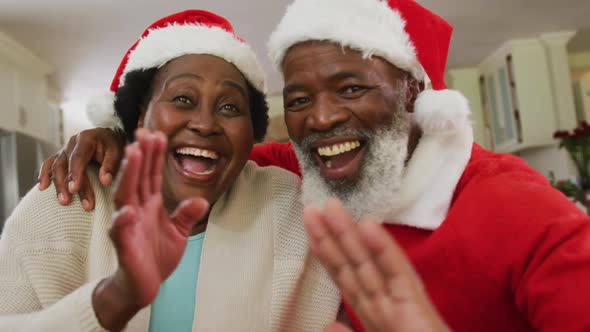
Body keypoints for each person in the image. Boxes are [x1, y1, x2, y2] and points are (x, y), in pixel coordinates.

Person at [41, 0, 590, 331]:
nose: (321, 118)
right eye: (299, 99)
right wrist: (119, 134)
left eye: (351, 88)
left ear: (413, 91)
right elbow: (212, 153)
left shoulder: (517, 208)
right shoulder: (311, 170)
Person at [0, 9, 341, 332]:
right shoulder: (65, 202)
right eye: (182, 99)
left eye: (229, 106)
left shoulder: (294, 211)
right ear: (137, 117)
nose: (206, 123)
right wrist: (114, 298)